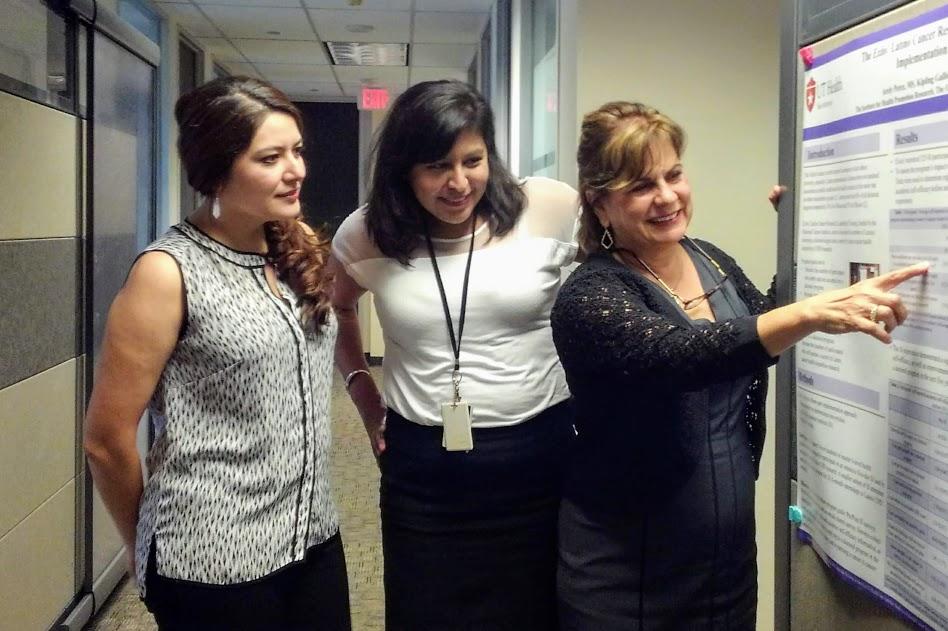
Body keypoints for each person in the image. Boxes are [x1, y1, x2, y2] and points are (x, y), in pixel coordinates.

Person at [551, 101, 928, 630]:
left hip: (725, 566)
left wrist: (798, 231)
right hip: (627, 576)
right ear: (601, 204)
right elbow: (681, 357)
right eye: (640, 186)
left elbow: (761, 324)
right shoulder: (590, 296)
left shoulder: (710, 258)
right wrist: (807, 315)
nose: (667, 197)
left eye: (674, 174)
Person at [83, 77, 351, 631]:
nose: (295, 169)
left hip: (311, 534)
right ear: (217, 171)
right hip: (215, 557)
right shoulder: (169, 272)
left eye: (297, 151)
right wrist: (144, 544)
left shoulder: (293, 246)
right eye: (270, 157)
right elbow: (106, 439)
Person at [330, 79, 579, 630]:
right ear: (404, 168)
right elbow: (335, 311)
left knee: (538, 614)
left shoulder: (549, 208)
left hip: (539, 456)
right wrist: (363, 394)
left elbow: (627, 242)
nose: (459, 183)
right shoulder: (368, 234)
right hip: (423, 474)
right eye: (437, 166)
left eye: (474, 160)